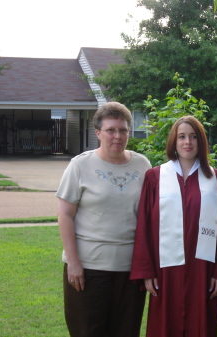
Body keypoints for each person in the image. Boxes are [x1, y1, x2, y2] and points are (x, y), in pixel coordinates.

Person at [56, 102, 152, 337]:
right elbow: (65, 215)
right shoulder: (80, 165)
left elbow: (149, 219)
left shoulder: (143, 165)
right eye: (111, 130)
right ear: (98, 133)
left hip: (131, 271)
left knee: (126, 331)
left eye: (123, 130)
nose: (117, 136)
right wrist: (73, 262)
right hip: (89, 269)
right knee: (88, 331)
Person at [130, 115, 217, 337]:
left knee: (201, 325)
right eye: (182, 137)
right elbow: (144, 226)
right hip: (165, 271)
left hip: (203, 269)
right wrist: (147, 271)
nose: (188, 142)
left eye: (193, 137)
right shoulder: (155, 177)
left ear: (201, 141)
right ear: (173, 142)